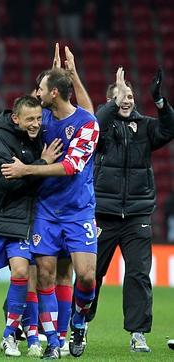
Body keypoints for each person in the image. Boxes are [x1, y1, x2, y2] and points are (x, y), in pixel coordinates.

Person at [1, 68, 99, 359]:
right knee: (45, 274)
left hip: (78, 211)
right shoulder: (40, 119)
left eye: (41, 88)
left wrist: (27, 169)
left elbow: (71, 167)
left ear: (54, 92)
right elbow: (20, 114)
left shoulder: (88, 124)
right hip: (44, 208)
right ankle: (54, 342)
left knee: (86, 276)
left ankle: (78, 322)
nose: (37, 92)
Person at [88, 67, 174, 352]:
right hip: (103, 213)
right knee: (91, 274)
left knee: (138, 275)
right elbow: (96, 124)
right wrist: (115, 95)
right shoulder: (102, 127)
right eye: (120, 96)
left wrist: (160, 101)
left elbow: (169, 129)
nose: (126, 100)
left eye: (130, 96)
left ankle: (138, 334)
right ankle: (80, 326)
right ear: (111, 101)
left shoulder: (146, 127)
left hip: (137, 215)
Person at [0, 96, 62, 357]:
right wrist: (42, 164)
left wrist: (29, 169)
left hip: (21, 219)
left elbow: (27, 177)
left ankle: (10, 335)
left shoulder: (41, 138)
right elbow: (11, 182)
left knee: (21, 273)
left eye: (38, 118)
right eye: (29, 119)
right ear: (15, 118)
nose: (35, 124)